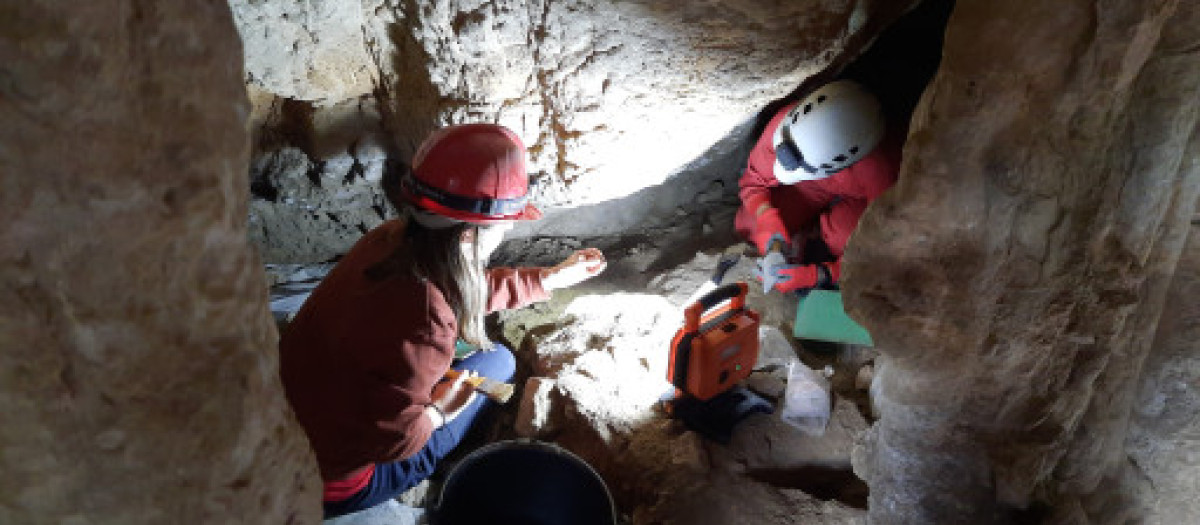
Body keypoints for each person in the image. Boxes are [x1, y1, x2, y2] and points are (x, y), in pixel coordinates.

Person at [279, 123, 606, 518]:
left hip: (283, 422)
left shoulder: (387, 240)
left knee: (480, 358)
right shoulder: (427, 322)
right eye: (508, 222)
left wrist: (546, 279)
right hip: (326, 484)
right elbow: (394, 443)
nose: (510, 230)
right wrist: (439, 411)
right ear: (473, 233)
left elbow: (459, 289)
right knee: (499, 364)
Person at [735, 79, 903, 293]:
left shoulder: (881, 170)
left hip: (860, 196)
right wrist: (765, 215)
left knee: (843, 239)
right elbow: (753, 183)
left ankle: (822, 231)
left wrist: (824, 274)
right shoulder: (788, 129)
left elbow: (885, 247)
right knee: (748, 224)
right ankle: (805, 232)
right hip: (812, 184)